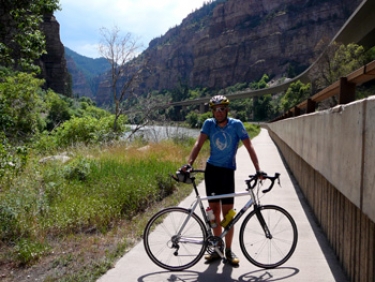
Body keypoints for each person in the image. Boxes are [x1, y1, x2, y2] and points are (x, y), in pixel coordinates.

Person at [181, 95, 262, 265]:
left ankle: (229, 251)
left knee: (228, 215)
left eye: (221, 109)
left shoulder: (237, 125)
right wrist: (189, 163)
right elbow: (198, 144)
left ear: (227, 110)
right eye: (215, 109)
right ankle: (217, 249)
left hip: (227, 173)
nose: (218, 112)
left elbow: (249, 146)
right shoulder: (208, 124)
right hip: (212, 172)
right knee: (213, 213)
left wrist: (258, 169)